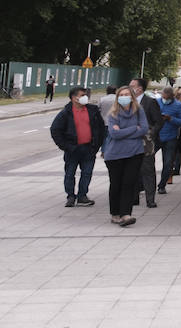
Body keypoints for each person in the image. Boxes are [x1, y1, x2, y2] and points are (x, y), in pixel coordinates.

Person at [50, 86, 106, 208]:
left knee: (87, 173)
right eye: (82, 95)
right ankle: (70, 196)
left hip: (89, 148)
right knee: (70, 173)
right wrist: (65, 146)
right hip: (72, 149)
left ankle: (82, 196)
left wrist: (97, 145)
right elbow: (55, 130)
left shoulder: (93, 110)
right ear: (74, 98)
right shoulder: (66, 113)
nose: (85, 97)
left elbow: (101, 128)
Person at [103, 86, 146, 227]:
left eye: (127, 94)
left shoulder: (139, 111)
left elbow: (144, 129)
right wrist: (134, 128)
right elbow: (114, 134)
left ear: (132, 96)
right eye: (121, 94)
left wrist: (123, 131)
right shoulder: (113, 113)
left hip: (135, 153)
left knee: (129, 184)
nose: (124, 96)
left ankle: (126, 214)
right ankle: (115, 213)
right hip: (115, 155)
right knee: (116, 184)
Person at [130, 78, 163, 208]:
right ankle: (134, 197)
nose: (129, 88)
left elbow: (158, 122)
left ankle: (150, 199)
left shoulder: (150, 102)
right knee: (132, 170)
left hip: (146, 143)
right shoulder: (128, 102)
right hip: (130, 142)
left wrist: (151, 134)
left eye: (132, 86)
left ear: (139, 88)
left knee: (147, 170)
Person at [156, 86, 181, 194]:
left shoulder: (178, 105)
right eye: (163, 97)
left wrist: (171, 119)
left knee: (168, 163)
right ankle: (143, 183)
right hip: (156, 136)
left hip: (170, 137)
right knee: (146, 161)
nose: (165, 99)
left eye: (167, 98)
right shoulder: (156, 102)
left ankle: (162, 185)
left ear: (172, 97)